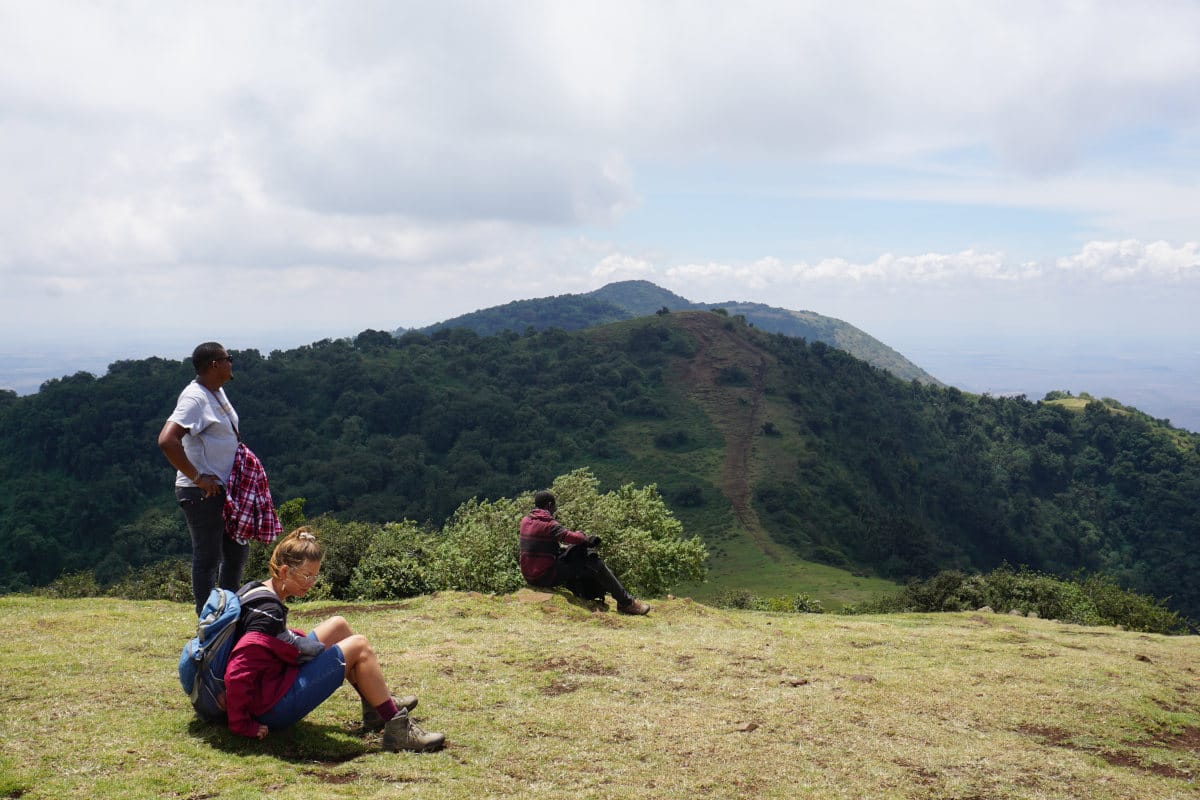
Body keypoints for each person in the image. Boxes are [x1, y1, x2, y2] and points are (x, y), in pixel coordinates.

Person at [223, 527, 446, 752]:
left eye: (315, 576)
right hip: (270, 705)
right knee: (359, 646)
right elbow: (238, 670)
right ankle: (398, 730)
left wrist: (299, 642)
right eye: (306, 576)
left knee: (338, 625)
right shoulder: (268, 613)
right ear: (284, 571)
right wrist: (243, 724)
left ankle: (376, 706)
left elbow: (273, 644)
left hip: (272, 681)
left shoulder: (256, 590)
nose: (311, 583)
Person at [158, 342, 248, 616]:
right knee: (208, 558)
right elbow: (167, 440)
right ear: (214, 365)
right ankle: (207, 619)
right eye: (228, 358)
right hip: (202, 493)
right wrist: (198, 478)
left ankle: (229, 613)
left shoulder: (216, 391)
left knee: (236, 553)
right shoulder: (194, 398)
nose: (231, 362)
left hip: (224, 490)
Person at [519, 490, 650, 615]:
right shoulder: (549, 524)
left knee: (578, 554)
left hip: (529, 576)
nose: (555, 510)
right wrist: (584, 537)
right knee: (592, 559)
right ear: (549, 505)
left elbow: (544, 546)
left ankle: (590, 594)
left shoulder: (525, 520)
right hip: (545, 577)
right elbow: (576, 538)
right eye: (554, 507)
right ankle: (626, 603)